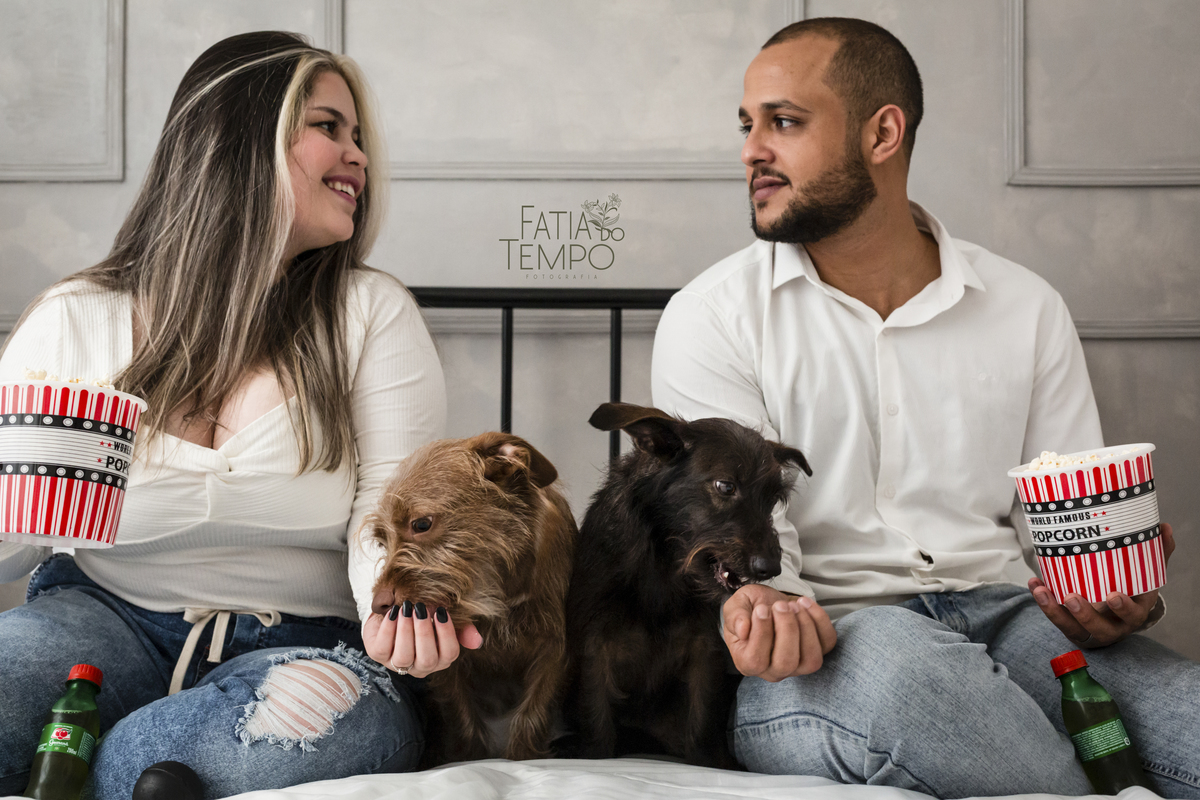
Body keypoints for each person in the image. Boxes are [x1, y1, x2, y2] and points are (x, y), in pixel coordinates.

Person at [651, 17, 1199, 798]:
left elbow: (1064, 532)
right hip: (831, 642)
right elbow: (746, 559)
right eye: (748, 125)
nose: (751, 150)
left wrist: (1106, 596)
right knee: (920, 687)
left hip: (1015, 619)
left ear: (883, 133)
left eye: (785, 122)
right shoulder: (713, 316)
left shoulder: (1024, 306)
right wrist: (761, 608)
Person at [0, 31, 479, 799]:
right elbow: (17, 535)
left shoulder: (369, 315)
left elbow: (386, 519)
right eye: (329, 127)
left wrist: (396, 605)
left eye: (357, 135)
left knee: (316, 727)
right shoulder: (75, 320)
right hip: (99, 618)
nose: (358, 155)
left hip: (303, 644)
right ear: (240, 138)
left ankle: (95, 766)